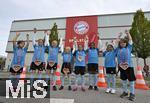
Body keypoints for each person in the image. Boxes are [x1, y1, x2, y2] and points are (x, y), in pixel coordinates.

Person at [116, 30, 136, 101]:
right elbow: (116, 42)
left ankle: (132, 94)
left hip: (129, 67)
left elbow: (130, 40)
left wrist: (128, 33)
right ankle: (125, 92)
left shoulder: (129, 48)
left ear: (126, 43)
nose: (122, 43)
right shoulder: (118, 49)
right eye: (121, 43)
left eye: (124, 42)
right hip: (121, 67)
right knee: (124, 81)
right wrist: (118, 36)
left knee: (131, 81)